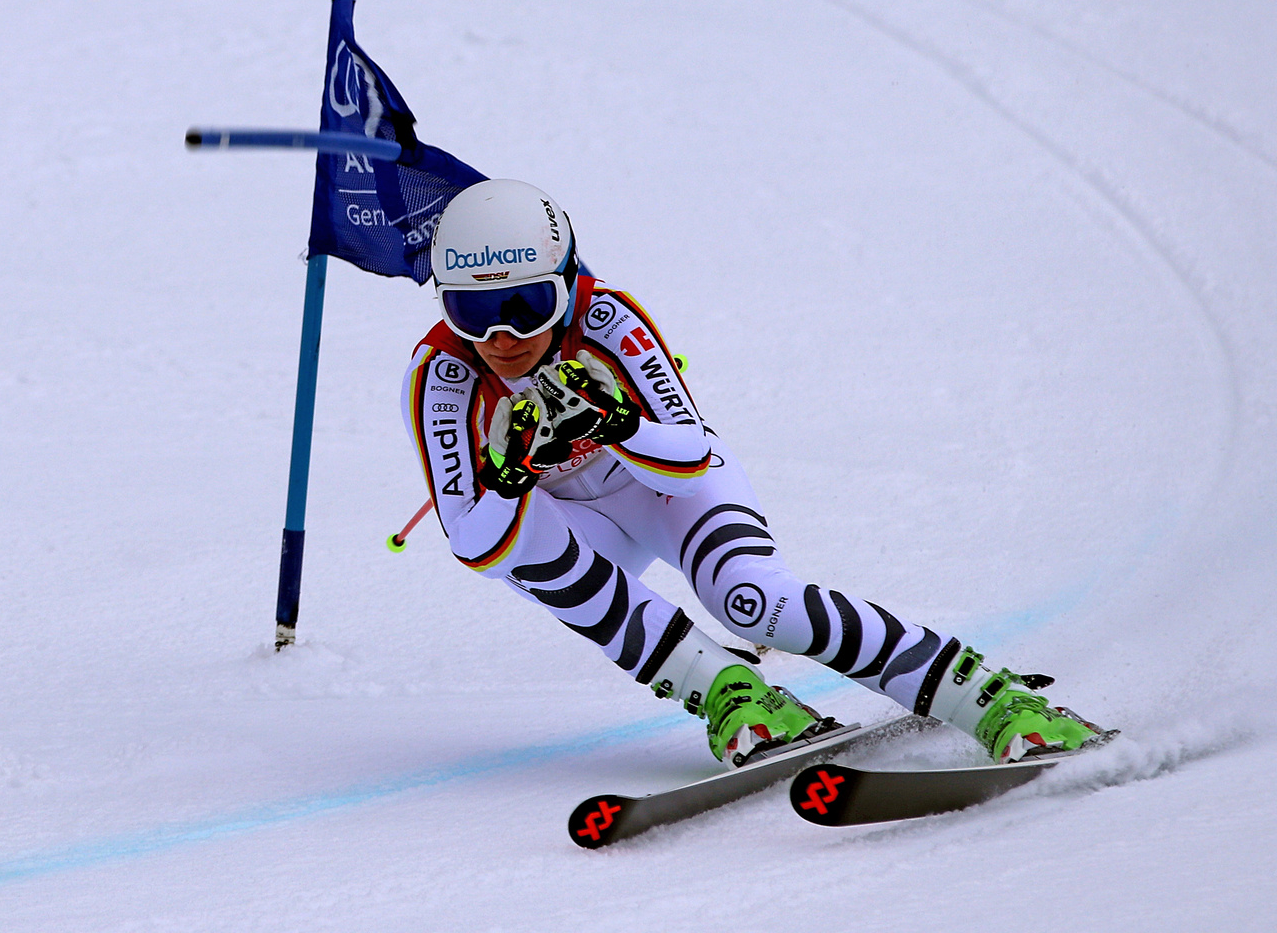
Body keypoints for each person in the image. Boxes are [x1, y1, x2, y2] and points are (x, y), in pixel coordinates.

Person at [403, 179, 1105, 767]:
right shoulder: (441, 373)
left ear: (566, 284)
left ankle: (988, 697)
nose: (501, 338)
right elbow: (477, 548)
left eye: (526, 306)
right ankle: (728, 692)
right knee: (526, 552)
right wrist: (509, 478)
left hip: (658, 488)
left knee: (747, 598)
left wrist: (614, 426)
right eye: (472, 310)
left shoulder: (607, 318)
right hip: (578, 528)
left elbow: (691, 458)